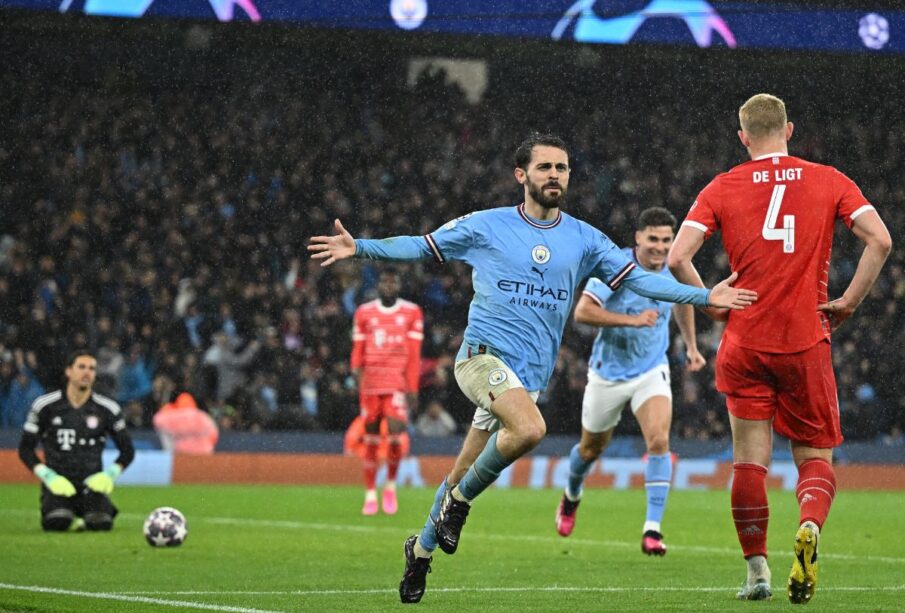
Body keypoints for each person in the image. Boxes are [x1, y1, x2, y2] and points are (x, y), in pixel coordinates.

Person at [308, 132, 757, 604]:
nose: (554, 176)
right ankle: (457, 508)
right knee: (529, 429)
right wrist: (360, 247)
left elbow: (645, 282)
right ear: (521, 175)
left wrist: (704, 295)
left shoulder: (585, 239)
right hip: (482, 358)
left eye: (561, 168)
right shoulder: (488, 226)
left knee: (463, 470)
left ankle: (419, 552)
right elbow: (422, 246)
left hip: (527, 378)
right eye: (545, 168)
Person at [667, 94, 892, 603]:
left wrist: (709, 299)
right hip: (804, 340)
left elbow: (678, 256)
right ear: (790, 129)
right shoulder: (829, 179)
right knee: (816, 456)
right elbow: (880, 241)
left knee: (749, 463)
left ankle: (757, 574)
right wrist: (850, 301)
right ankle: (809, 525)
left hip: (744, 340)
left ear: (743, 137)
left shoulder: (722, 186)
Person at [554, 207, 706, 556]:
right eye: (653, 238)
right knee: (591, 449)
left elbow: (683, 302)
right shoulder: (615, 266)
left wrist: (692, 346)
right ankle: (572, 494)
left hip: (651, 370)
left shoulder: (675, 268)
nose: (660, 247)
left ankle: (652, 529)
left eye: (667, 240)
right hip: (608, 373)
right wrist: (632, 320)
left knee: (658, 441)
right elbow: (583, 312)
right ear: (638, 238)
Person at [18, 350, 135, 531]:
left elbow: (127, 451)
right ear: (68, 371)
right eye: (81, 367)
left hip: (91, 486)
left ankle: (92, 511)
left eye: (91, 368)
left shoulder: (107, 409)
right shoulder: (45, 406)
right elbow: (25, 449)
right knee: (57, 522)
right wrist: (48, 477)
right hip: (59, 486)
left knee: (101, 524)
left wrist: (109, 474)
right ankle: (63, 510)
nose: (87, 372)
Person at [350, 267, 424, 515]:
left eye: (393, 282)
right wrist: (357, 376)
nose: (389, 286)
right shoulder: (364, 312)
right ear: (379, 285)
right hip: (371, 383)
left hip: (397, 384)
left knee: (394, 436)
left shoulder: (412, 312)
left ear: (398, 286)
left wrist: (412, 387)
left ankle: (390, 486)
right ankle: (370, 494)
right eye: (385, 282)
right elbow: (358, 350)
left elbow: (414, 355)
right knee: (370, 438)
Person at [152, 392, 219, 455]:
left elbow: (157, 420)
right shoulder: (202, 416)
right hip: (203, 452)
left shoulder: (173, 416)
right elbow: (213, 433)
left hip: (181, 452)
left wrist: (167, 409)